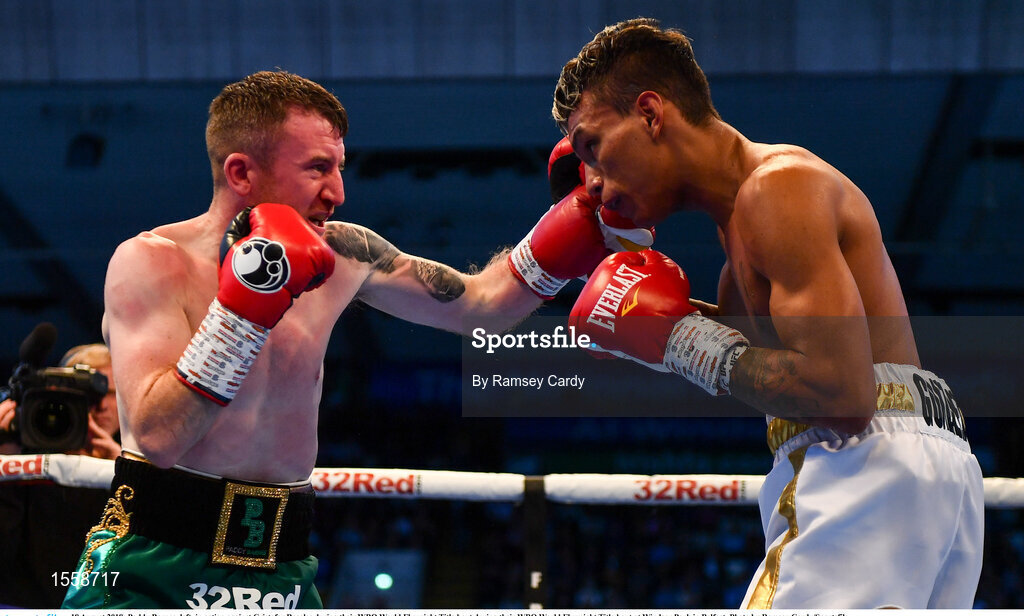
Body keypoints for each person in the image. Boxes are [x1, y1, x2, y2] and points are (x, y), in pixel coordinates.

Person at [61, 70, 641, 609]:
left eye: (340, 167)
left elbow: (480, 307)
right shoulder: (150, 263)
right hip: (149, 560)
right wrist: (245, 309)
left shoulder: (343, 253)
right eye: (317, 168)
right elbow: (159, 437)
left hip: (281, 566)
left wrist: (579, 219)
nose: (337, 191)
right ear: (241, 172)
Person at [556, 18, 984, 609]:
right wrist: (622, 308)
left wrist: (676, 337)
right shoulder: (746, 232)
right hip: (922, 468)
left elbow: (842, 396)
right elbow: (754, 365)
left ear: (651, 114)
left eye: (593, 148)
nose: (596, 186)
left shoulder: (775, 191)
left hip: (862, 464)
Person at [0, 344, 119, 607]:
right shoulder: (20, 462)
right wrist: (6, 467)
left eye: (111, 393)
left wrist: (127, 473)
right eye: (86, 396)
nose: (100, 406)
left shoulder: (146, 463)